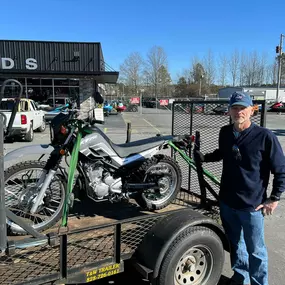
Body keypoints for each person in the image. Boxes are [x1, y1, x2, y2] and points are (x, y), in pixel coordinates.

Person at [195, 92, 285, 285]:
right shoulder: (225, 133)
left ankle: (259, 282)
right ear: (229, 111)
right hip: (227, 202)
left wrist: (274, 197)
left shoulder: (265, 137)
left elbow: (281, 169)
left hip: (252, 206)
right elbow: (222, 153)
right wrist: (204, 157)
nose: (238, 112)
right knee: (236, 245)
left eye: (242, 108)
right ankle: (240, 278)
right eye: (234, 108)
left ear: (251, 110)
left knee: (256, 251)